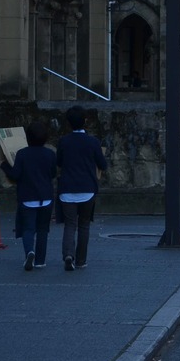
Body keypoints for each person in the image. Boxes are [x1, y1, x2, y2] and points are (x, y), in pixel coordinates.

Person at [56, 106, 108, 270]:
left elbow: (59, 162)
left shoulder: (63, 141)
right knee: (84, 225)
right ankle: (81, 260)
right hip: (87, 188)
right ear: (85, 121)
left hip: (67, 188)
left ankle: (68, 254)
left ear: (69, 123)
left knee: (70, 224)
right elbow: (102, 164)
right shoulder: (93, 142)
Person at [0, 120, 56, 271]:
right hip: (46, 197)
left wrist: (4, 165)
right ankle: (40, 260)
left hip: (27, 197)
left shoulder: (22, 154)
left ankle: (29, 252)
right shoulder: (50, 154)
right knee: (43, 229)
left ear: (27, 137)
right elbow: (53, 174)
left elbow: (16, 175)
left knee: (28, 229)